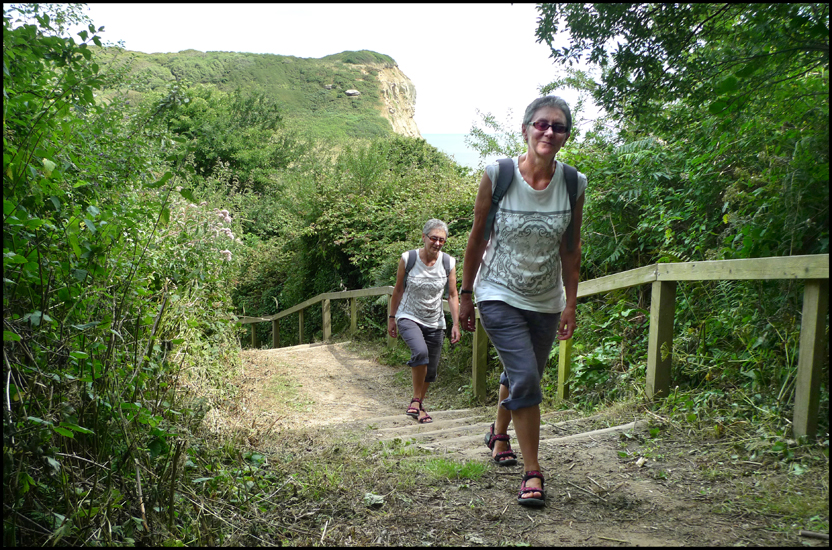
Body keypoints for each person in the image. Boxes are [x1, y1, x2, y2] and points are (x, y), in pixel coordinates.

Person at [458, 95, 586, 507]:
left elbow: (571, 248)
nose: (550, 132)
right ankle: (533, 472)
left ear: (566, 135)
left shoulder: (573, 183)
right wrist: (464, 294)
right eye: (542, 124)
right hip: (497, 291)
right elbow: (476, 238)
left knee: (520, 373)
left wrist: (570, 302)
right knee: (527, 378)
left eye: (559, 127)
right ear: (527, 128)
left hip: (546, 299)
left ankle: (498, 435)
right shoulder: (499, 175)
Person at [388, 219, 461, 424]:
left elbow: (453, 295)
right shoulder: (408, 258)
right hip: (408, 315)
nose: (437, 243)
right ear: (424, 237)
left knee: (431, 369)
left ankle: (418, 405)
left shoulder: (448, 262)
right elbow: (399, 289)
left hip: (435, 321)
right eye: (434, 238)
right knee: (420, 352)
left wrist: (455, 324)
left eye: (442, 240)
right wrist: (392, 318)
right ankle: (416, 401)